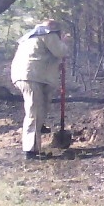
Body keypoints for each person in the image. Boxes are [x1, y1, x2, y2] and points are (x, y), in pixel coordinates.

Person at [10, 19, 70, 160]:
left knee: (40, 108)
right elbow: (61, 51)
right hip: (32, 77)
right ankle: (31, 150)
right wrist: (64, 42)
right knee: (34, 112)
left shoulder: (30, 37)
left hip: (29, 75)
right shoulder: (48, 34)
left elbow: (43, 57)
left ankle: (39, 128)